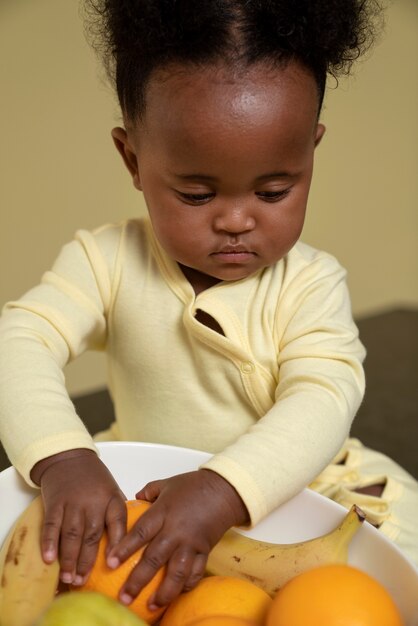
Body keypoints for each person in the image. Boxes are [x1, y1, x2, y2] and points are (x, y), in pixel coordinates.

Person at [0, 0, 417, 615]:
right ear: (134, 160)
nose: (236, 220)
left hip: (305, 487)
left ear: (312, 151)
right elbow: (20, 338)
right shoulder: (107, 260)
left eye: (275, 190)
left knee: (398, 552)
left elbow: (323, 397)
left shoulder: (310, 285)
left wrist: (224, 490)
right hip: (145, 480)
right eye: (196, 193)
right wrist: (63, 456)